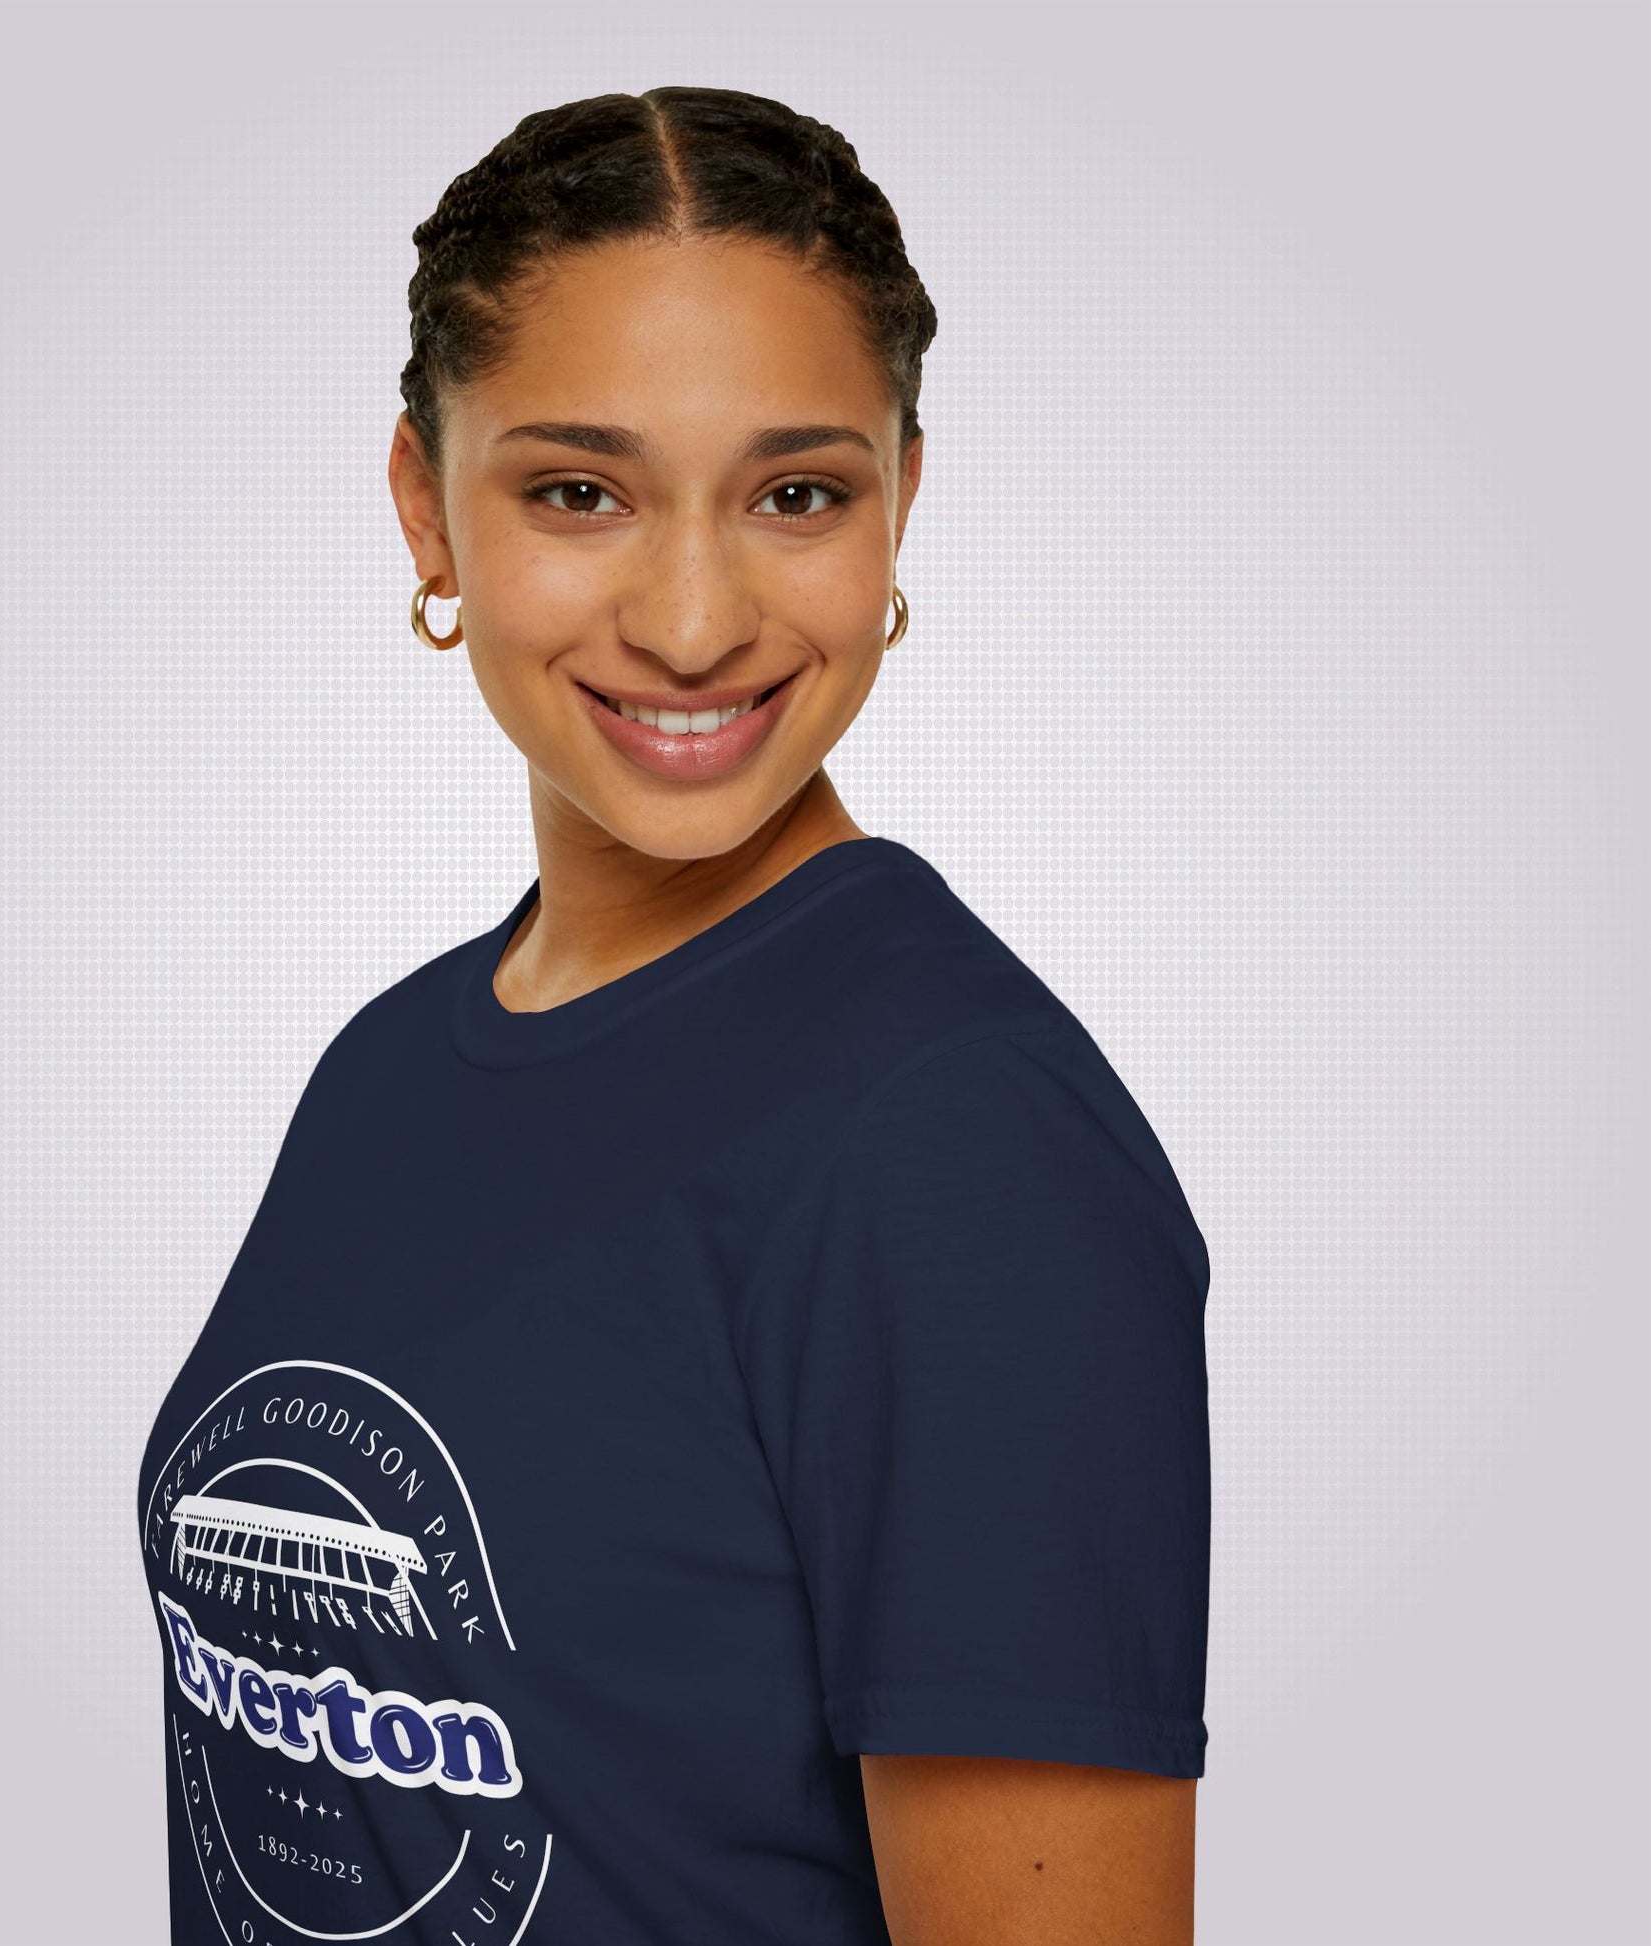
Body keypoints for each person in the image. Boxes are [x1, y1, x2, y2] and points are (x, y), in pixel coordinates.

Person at [137, 85, 1211, 1946]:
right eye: (579, 491)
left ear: (901, 502)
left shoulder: (960, 1147)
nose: (697, 617)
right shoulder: (389, 1065)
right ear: (425, 503)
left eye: (797, 493)